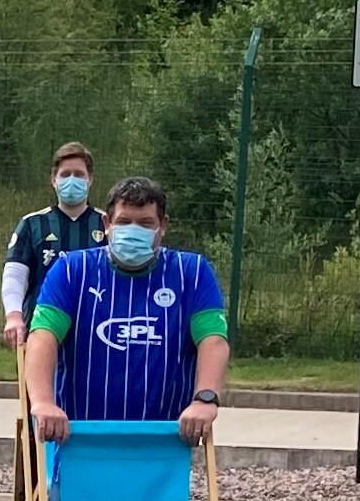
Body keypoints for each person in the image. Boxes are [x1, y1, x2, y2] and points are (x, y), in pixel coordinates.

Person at [22, 176, 230, 445]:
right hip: (79, 438)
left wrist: (205, 398)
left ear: (162, 226)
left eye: (145, 223)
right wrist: (43, 402)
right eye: (123, 222)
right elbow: (42, 337)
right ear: (107, 225)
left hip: (164, 442)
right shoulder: (71, 271)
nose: (133, 230)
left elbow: (213, 339)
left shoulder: (192, 272)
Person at [0, 142, 107, 348]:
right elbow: (15, 273)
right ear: (53, 180)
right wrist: (13, 316)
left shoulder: (107, 224)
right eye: (65, 174)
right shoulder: (32, 223)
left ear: (90, 179)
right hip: (41, 329)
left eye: (79, 174)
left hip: (96, 331)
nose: (72, 180)